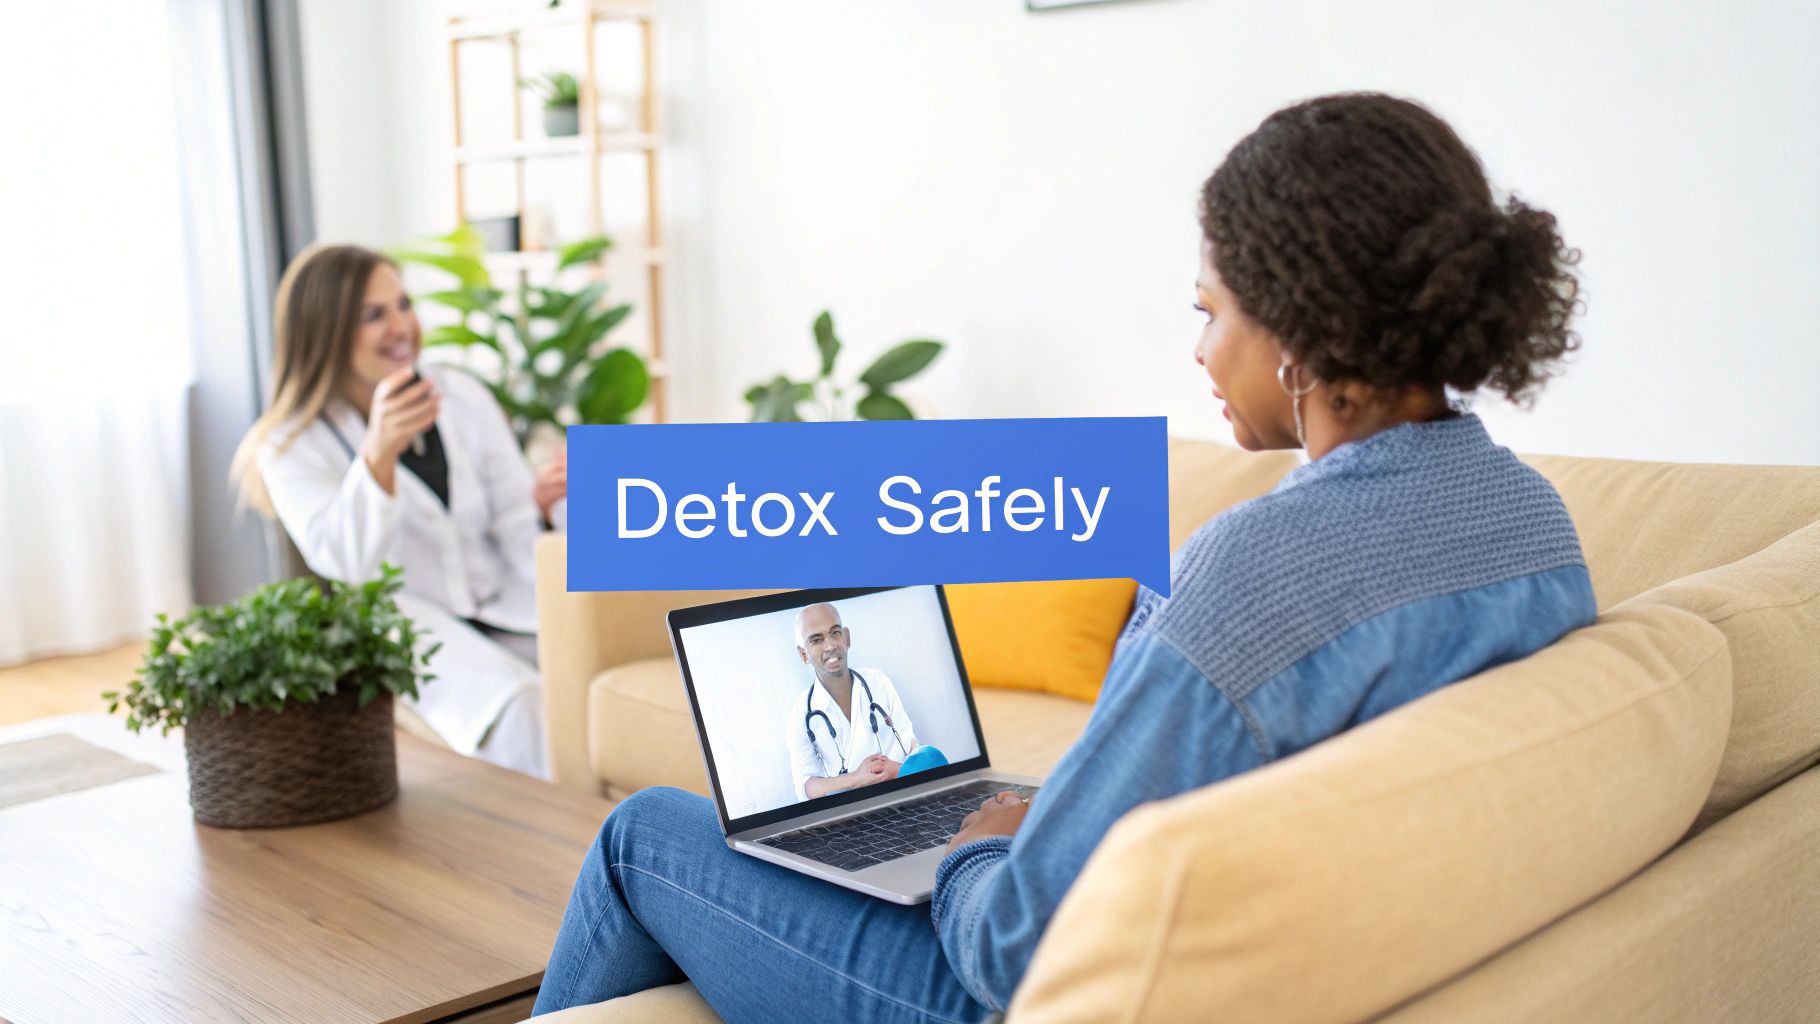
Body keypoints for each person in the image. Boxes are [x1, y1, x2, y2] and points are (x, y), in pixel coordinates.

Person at [531, 92, 1596, 1022]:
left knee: (641, 835)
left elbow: (1010, 954)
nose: (1197, 350)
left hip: (1007, 989)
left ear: (1299, 332)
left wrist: (973, 851)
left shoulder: (1252, 573)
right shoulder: (1530, 524)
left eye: (1208, 310)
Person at [231, 244, 566, 778]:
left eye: (403, 305)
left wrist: (546, 513)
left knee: (593, 675)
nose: (401, 327)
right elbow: (348, 566)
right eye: (373, 315)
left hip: (502, 600)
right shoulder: (290, 443)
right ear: (326, 332)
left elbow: (514, 526)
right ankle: (585, 849)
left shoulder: (462, 396)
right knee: (517, 707)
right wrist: (378, 455)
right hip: (405, 623)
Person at [785, 602, 925, 800]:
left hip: (902, 796)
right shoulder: (801, 713)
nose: (830, 645)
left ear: (846, 637)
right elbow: (806, 787)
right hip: (848, 814)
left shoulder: (878, 682)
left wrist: (897, 770)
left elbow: (910, 744)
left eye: (835, 633)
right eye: (816, 640)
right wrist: (857, 778)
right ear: (803, 654)